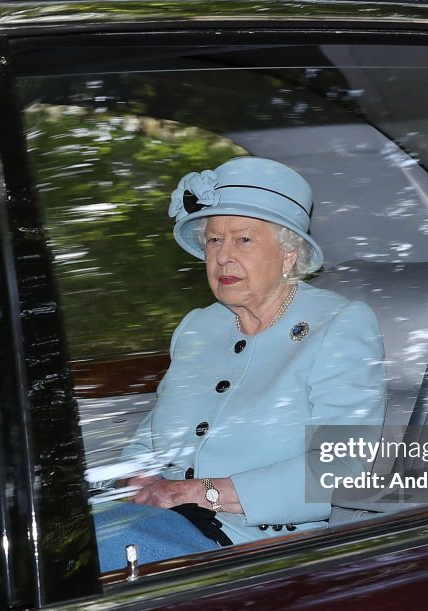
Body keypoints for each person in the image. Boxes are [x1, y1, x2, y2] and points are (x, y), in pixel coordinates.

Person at [94, 156, 387, 571]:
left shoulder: (340, 324)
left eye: (243, 240)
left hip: (256, 551)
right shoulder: (198, 326)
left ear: (289, 254)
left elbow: (342, 465)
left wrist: (200, 492)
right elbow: (150, 441)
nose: (223, 257)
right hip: (163, 522)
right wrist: (134, 479)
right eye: (214, 241)